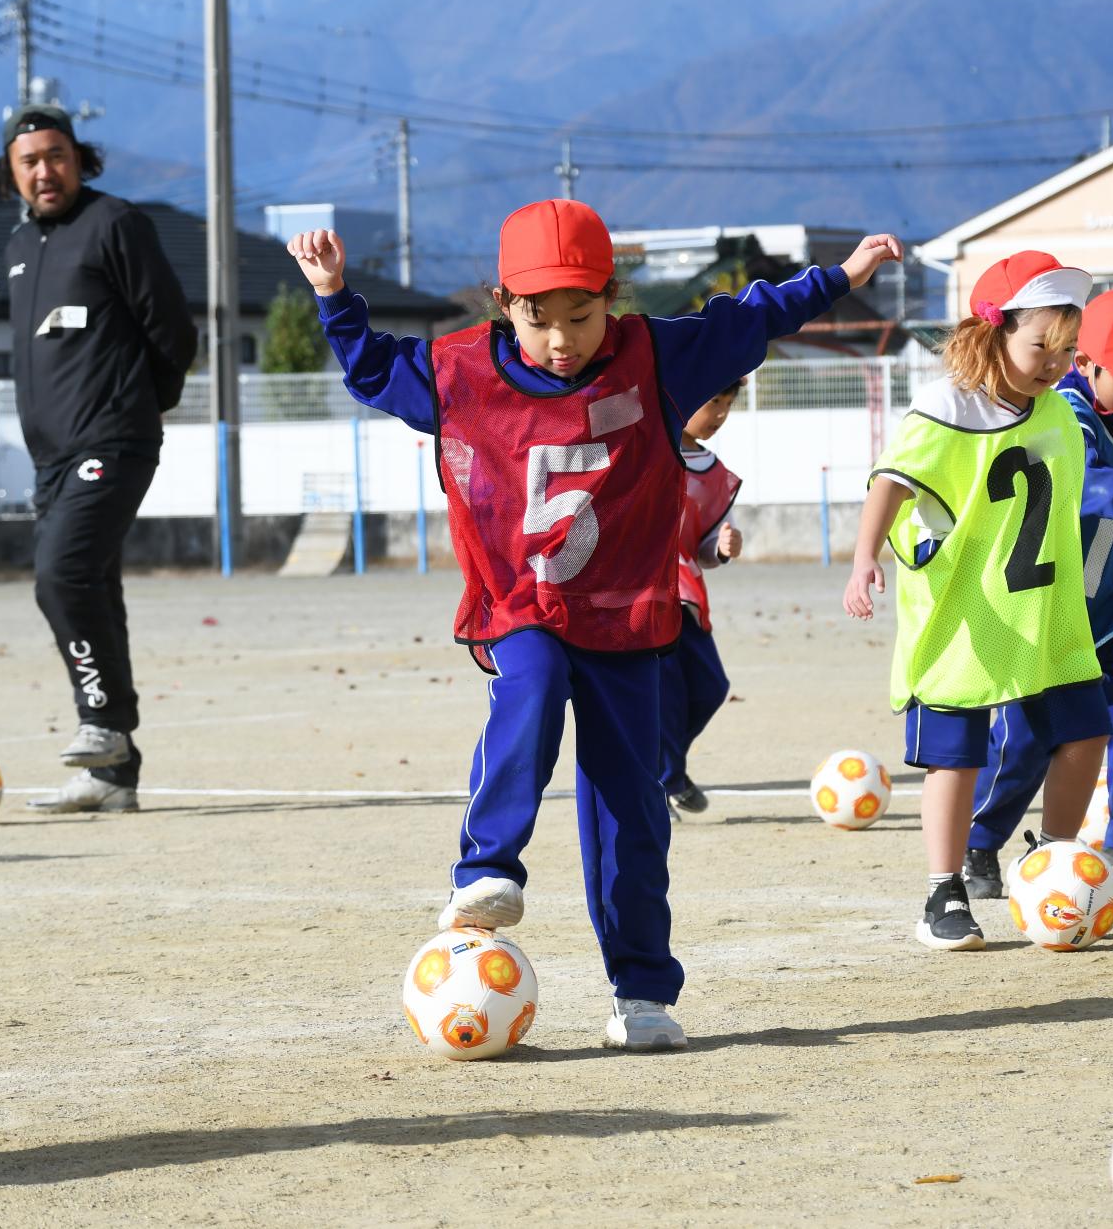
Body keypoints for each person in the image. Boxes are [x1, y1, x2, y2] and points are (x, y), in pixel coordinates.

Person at [293, 199, 899, 1050]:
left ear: (609, 297)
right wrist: (334, 295)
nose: (562, 338)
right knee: (531, 684)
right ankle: (487, 870)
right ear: (503, 303)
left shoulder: (656, 355)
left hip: (629, 614)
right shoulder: (458, 372)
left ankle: (642, 993)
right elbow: (369, 370)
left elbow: (749, 318)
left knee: (632, 813)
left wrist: (839, 277)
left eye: (581, 316)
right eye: (539, 319)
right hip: (522, 601)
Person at [844, 252, 1108, 951]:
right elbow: (891, 483)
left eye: (1068, 350)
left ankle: (1050, 861)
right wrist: (864, 557)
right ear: (996, 332)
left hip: (1045, 611)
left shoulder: (1059, 411)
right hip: (964, 614)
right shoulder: (946, 406)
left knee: (1086, 731)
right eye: (1040, 346)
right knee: (954, 758)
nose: (1055, 363)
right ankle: (943, 889)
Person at [0, 102, 198, 814]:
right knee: (93, 590)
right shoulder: (18, 248)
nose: (45, 170)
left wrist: (144, 405)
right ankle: (115, 776)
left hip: (114, 438)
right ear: (11, 173)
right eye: (30, 161)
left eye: (58, 155)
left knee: (61, 575)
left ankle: (105, 724)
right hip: (52, 456)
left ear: (80, 160)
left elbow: (173, 329)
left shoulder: (114, 224)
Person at [963, 288, 1113, 902]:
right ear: (1084, 362)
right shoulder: (1063, 408)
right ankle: (975, 845)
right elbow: (1086, 480)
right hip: (1049, 608)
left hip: (1109, 605)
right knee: (1028, 741)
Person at [660, 380, 745, 818]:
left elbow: (704, 548)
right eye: (713, 401)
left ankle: (665, 770)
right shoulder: (645, 448)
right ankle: (665, 779)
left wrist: (721, 546)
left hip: (687, 597)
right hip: (645, 596)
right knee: (667, 697)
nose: (720, 414)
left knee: (711, 688)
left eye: (728, 405)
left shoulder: (713, 471)